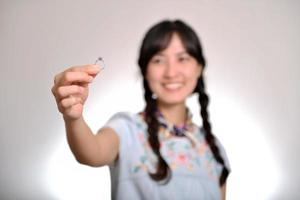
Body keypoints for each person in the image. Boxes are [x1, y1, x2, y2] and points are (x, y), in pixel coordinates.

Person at [51, 19, 230, 200]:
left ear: (199, 67)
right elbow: (91, 153)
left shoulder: (214, 150)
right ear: (145, 71)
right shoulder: (127, 129)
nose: (171, 72)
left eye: (182, 58)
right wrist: (73, 118)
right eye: (158, 60)